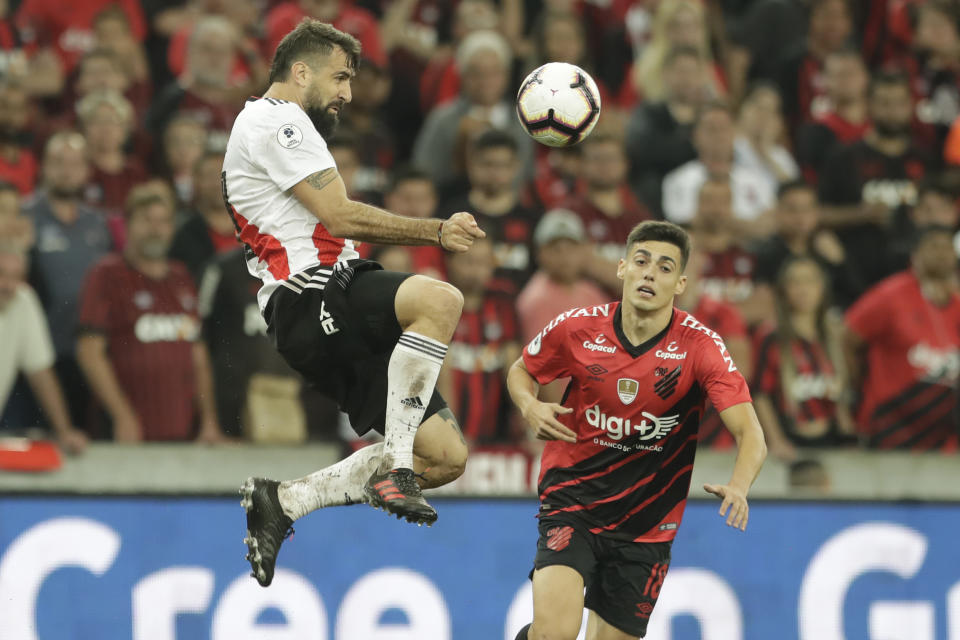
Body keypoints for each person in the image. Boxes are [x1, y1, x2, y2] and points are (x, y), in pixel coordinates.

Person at [224, 20, 483, 587]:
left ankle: (285, 502)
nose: (347, 93)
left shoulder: (285, 126)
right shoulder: (275, 120)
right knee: (440, 298)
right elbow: (340, 216)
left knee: (443, 457)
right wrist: (436, 231)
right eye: (340, 77)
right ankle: (394, 465)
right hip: (309, 293)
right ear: (300, 71)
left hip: (331, 299)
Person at [506, 220, 766, 640]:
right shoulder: (578, 327)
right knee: (555, 633)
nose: (650, 273)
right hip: (573, 500)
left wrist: (739, 485)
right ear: (622, 268)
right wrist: (530, 405)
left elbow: (751, 433)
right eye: (642, 261)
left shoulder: (700, 347)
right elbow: (522, 370)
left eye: (665, 267)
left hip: (647, 523)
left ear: (680, 283)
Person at [75, 186, 224, 444]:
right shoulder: (106, 275)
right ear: (127, 225)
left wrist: (209, 421)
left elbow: (198, 356)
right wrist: (122, 416)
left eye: (163, 221)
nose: (156, 229)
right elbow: (89, 352)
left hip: (184, 433)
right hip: (126, 432)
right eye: (146, 220)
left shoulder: (182, 277)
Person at [844, 225, 960, 450]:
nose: (942, 254)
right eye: (934, 247)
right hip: (892, 420)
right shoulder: (890, 295)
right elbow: (846, 337)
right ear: (915, 254)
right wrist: (856, 382)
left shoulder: (958, 302)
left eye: (947, 247)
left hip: (942, 428)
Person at [25, 132, 111, 429]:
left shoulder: (98, 223)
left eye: (75, 163)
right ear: (44, 167)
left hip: (90, 351)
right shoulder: (25, 217)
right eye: (58, 162)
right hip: (41, 351)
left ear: (87, 170)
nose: (66, 171)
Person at [818, 70, 931, 291]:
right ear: (869, 104)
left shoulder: (926, 160)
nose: (892, 111)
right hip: (856, 277)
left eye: (899, 103)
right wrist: (861, 214)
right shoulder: (843, 158)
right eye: (884, 103)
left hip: (915, 278)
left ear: (911, 106)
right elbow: (818, 214)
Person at [753, 256, 855, 462]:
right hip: (790, 439)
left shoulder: (835, 334)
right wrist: (775, 440)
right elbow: (760, 394)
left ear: (822, 288)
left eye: (810, 281)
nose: (803, 289)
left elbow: (842, 390)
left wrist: (848, 434)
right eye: (795, 282)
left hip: (832, 440)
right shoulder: (771, 336)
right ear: (783, 290)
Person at [0, 244, 87, 453]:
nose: (7, 285)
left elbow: (41, 372)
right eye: (0, 274)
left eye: (16, 276)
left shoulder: (24, 300)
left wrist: (64, 431)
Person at [439, 129, 541, 294]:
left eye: (502, 165)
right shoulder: (451, 215)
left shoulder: (532, 219)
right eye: (487, 164)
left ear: (516, 167)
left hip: (516, 313)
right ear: (471, 164)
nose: (495, 173)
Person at [445, 237, 521, 442]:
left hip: (497, 435)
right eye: (469, 262)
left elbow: (514, 363)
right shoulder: (438, 302)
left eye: (483, 263)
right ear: (450, 261)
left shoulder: (502, 303)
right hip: (446, 436)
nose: (476, 271)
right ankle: (450, 434)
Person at [662, 102, 775, 229]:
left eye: (724, 129)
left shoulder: (757, 181)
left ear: (734, 134)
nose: (719, 136)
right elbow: (683, 228)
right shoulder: (676, 181)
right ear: (695, 136)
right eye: (711, 129)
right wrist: (746, 226)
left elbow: (768, 225)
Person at [625, 45, 704, 211]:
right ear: (666, 75)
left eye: (692, 72)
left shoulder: (709, 117)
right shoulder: (648, 113)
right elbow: (640, 152)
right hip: (658, 199)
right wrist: (691, 146)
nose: (686, 79)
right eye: (681, 71)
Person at [169, 150, 236, 282]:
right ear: (196, 182)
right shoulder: (185, 234)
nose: (218, 182)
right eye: (210, 176)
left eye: (223, 174)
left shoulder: (257, 226)